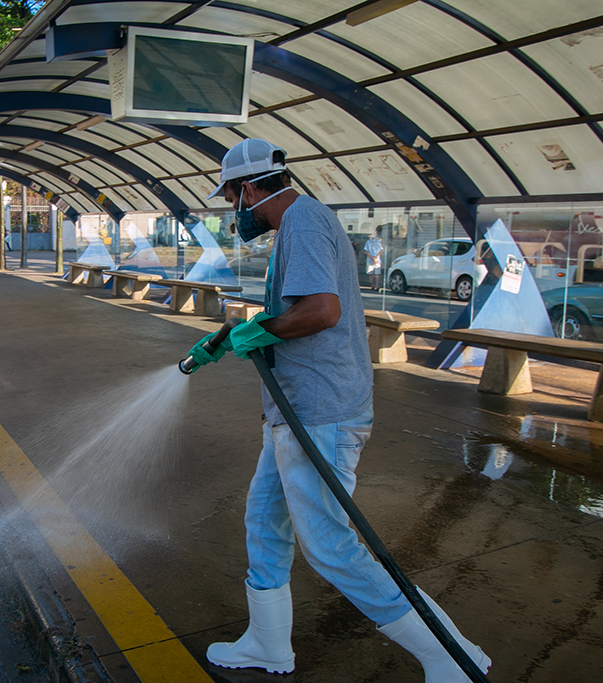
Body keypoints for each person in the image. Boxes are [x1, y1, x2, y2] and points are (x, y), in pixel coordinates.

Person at [187, 139, 491, 680]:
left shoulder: (301, 223)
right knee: (264, 520)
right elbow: (300, 308)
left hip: (320, 412)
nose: (233, 208)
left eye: (232, 195)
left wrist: (262, 329)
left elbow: (321, 312)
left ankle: (450, 655)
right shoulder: (301, 222)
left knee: (330, 546)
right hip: (299, 411)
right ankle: (267, 644)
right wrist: (241, 331)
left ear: (252, 189)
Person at [364, 226, 384, 292]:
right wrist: (373, 258)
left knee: (376, 274)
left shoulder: (379, 242)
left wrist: (374, 258)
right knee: (371, 273)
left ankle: (376, 286)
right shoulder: (368, 242)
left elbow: (381, 251)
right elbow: (366, 251)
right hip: (372, 260)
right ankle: (373, 286)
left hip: (375, 260)